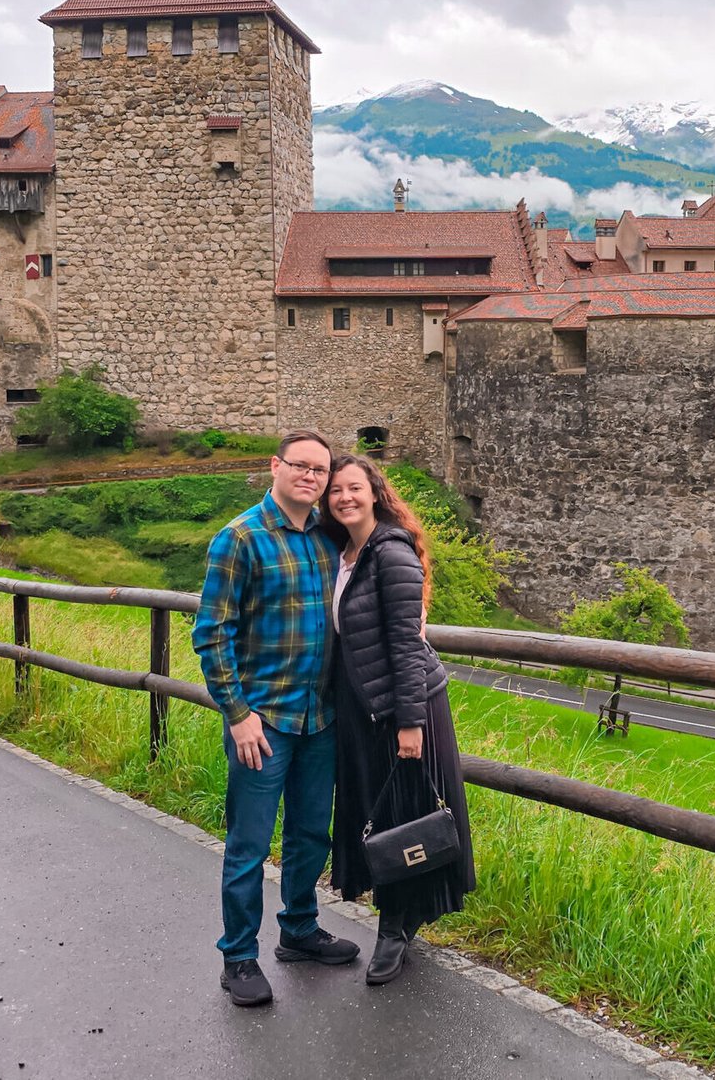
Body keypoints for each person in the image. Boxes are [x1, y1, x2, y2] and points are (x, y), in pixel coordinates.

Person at [191, 429, 359, 1007]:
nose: (311, 477)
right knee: (249, 845)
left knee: (313, 833)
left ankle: (299, 930)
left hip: (320, 718)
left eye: (321, 470)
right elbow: (211, 635)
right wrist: (237, 715)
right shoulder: (239, 538)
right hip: (262, 721)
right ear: (275, 466)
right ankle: (238, 956)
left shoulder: (327, 538)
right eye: (301, 466)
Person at [320, 454, 475, 985]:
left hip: (404, 708)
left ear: (375, 492)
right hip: (364, 708)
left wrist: (411, 722)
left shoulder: (390, 550)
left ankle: (394, 929)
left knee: (404, 816)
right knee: (383, 811)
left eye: (354, 488)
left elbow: (407, 645)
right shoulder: (342, 552)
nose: (344, 497)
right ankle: (402, 917)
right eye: (336, 490)